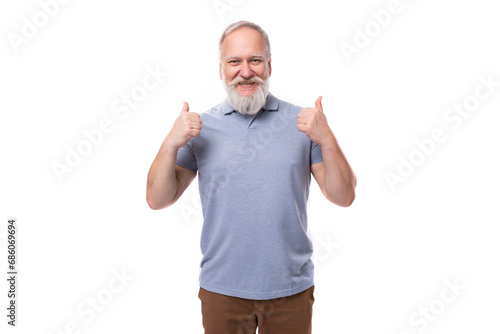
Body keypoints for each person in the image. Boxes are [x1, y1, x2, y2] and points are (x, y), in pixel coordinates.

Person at [146, 20, 356, 334]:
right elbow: (157, 199)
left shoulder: (304, 125)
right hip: (222, 290)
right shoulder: (199, 127)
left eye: (255, 60)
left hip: (291, 290)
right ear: (221, 70)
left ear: (269, 65)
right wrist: (170, 142)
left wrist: (327, 138)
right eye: (235, 62)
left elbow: (344, 197)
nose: (246, 71)